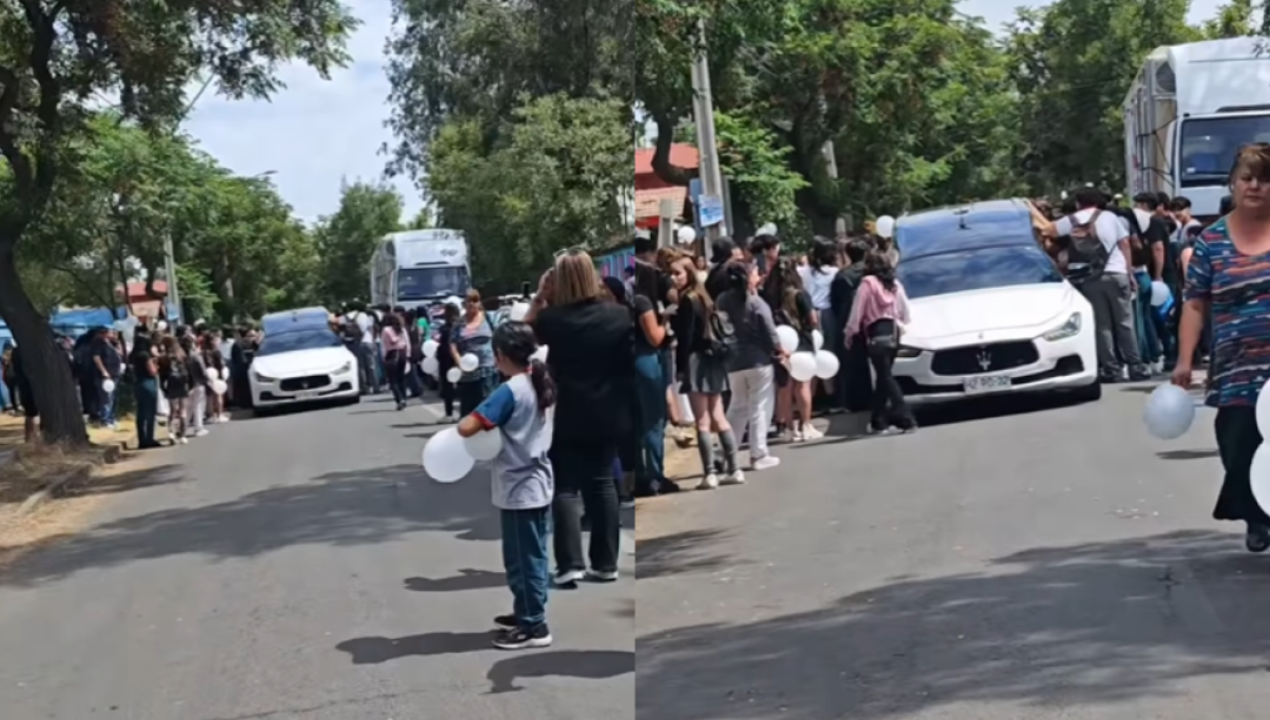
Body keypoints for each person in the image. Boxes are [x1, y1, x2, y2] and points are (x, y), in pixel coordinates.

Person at [1173, 143, 1270, 553]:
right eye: (1247, 178)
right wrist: (1184, 360)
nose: (1256, 186)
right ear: (1233, 183)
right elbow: (1195, 303)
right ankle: (1256, 515)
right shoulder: (1211, 241)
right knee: (1238, 441)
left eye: (1265, 180)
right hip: (1235, 367)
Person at [528, 250, 632, 585]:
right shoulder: (618, 315)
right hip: (608, 409)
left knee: (565, 486)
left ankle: (570, 562)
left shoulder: (551, 320)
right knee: (603, 483)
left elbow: (520, 338)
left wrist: (539, 297)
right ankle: (605, 562)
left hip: (565, 409)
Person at [456, 321, 556, 650]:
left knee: (522, 561)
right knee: (534, 555)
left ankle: (533, 624)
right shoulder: (540, 378)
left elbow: (467, 426)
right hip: (538, 480)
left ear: (499, 355)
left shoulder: (511, 390)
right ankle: (529, 610)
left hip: (518, 487)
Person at [669, 256, 742, 489]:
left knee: (702, 420)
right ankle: (734, 468)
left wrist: (681, 368)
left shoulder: (687, 300)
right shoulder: (705, 297)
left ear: (689, 273)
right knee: (718, 416)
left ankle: (710, 473)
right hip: (713, 359)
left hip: (696, 361)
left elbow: (686, 338)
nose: (673, 278)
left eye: (677, 273)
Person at [716, 260, 782, 470]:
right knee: (760, 407)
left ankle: (726, 453)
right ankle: (758, 454)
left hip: (733, 361)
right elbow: (770, 331)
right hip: (758, 360)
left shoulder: (721, 300)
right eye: (755, 272)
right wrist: (780, 350)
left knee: (737, 408)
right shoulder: (755, 302)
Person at [845, 248, 917, 435]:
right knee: (884, 377)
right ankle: (878, 421)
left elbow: (857, 311)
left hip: (875, 334)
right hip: (893, 334)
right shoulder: (894, 284)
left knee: (885, 377)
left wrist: (849, 332)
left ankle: (906, 418)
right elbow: (906, 311)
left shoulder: (866, 284)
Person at [630, 261, 677, 496]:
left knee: (637, 423)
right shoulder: (643, 302)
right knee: (654, 421)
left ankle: (639, 476)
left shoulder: (626, 300)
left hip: (630, 361)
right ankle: (655, 476)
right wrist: (665, 319)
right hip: (647, 361)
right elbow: (655, 337)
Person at [769, 258, 820, 441]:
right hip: (802, 343)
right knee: (803, 385)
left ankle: (790, 428)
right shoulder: (800, 294)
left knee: (784, 387)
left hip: (780, 344)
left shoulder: (770, 296)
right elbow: (813, 319)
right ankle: (806, 424)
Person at [451, 289, 498, 415]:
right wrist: (459, 361)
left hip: (487, 369)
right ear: (464, 303)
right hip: (468, 373)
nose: (472, 303)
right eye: (469, 301)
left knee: (486, 407)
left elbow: (497, 337)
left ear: (479, 303)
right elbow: (453, 344)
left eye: (475, 300)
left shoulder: (488, 318)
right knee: (468, 409)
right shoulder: (459, 323)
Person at [130, 332, 161, 449]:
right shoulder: (145, 355)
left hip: (138, 383)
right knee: (150, 412)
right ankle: (149, 438)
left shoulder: (133, 355)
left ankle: (141, 439)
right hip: (148, 383)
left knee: (141, 413)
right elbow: (152, 371)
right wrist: (156, 365)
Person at [158, 336, 190, 444]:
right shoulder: (182, 354)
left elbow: (162, 375)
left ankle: (171, 432)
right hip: (182, 384)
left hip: (171, 384)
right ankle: (183, 435)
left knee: (172, 410)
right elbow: (187, 370)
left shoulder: (163, 357)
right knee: (183, 410)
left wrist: (163, 388)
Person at [180, 334, 209, 438]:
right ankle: (198, 427)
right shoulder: (196, 356)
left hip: (186, 385)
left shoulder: (181, 357)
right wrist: (207, 380)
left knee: (187, 407)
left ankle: (183, 427)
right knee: (198, 406)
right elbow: (203, 371)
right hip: (198, 383)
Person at [381, 311, 411, 410]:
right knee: (401, 378)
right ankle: (404, 399)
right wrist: (408, 355)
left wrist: (383, 358)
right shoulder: (402, 329)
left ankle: (399, 399)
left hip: (391, 355)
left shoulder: (385, 330)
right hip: (402, 353)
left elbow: (383, 345)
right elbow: (407, 342)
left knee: (393, 380)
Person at [9, 342, 38, 442]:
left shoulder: (16, 351)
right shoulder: (31, 350)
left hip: (22, 383)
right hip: (30, 384)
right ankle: (33, 437)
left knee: (30, 413)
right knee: (33, 413)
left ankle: (29, 437)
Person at [437, 303, 460, 421]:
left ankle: (449, 413)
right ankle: (463, 413)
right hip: (460, 358)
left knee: (447, 387)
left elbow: (443, 345)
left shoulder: (445, 328)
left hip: (446, 359)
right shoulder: (462, 326)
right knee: (462, 386)